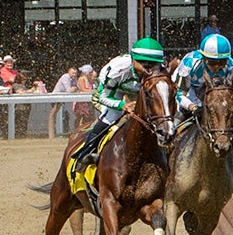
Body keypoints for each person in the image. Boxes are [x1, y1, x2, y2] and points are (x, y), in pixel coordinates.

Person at [66, 38, 167, 178]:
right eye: (144, 63)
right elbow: (102, 97)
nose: (148, 69)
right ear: (133, 60)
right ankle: (85, 154)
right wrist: (122, 105)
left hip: (141, 91)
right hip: (113, 91)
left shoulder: (161, 72)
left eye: (153, 65)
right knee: (110, 118)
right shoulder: (117, 70)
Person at [173, 31, 233, 133]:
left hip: (216, 102)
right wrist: (192, 107)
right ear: (204, 58)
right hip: (190, 95)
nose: (217, 67)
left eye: (221, 62)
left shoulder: (232, 68)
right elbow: (178, 94)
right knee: (172, 129)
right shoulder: (190, 63)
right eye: (212, 62)